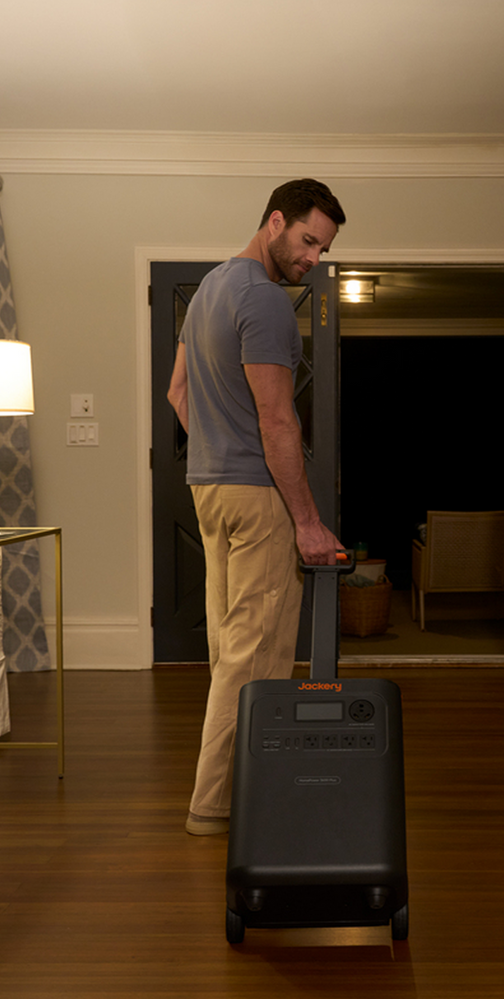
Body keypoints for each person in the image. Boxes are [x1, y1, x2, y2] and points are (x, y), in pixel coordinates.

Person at [167, 178, 347, 835]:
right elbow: (277, 422)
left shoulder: (210, 289)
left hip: (210, 491)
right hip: (257, 498)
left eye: (322, 249)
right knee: (255, 658)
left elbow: (178, 392)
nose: (313, 259)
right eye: (307, 241)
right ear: (275, 222)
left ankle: (228, 795)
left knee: (229, 650)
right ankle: (218, 807)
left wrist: (218, 445)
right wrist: (305, 520)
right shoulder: (264, 301)